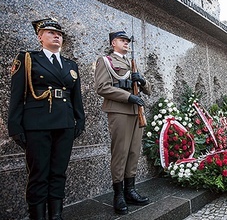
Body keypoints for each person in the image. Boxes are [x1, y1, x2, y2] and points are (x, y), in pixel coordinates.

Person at [8, 18, 85, 219]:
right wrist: (15, 126)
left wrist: (80, 120)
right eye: (51, 32)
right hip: (37, 124)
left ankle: (56, 215)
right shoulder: (27, 59)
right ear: (40, 37)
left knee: (59, 172)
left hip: (65, 123)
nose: (57, 36)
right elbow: (16, 95)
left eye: (59, 34)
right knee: (38, 174)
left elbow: (76, 96)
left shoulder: (71, 64)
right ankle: (38, 217)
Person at [94, 31, 151, 215]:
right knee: (121, 152)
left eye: (127, 41)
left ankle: (130, 190)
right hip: (119, 110)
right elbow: (102, 87)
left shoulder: (131, 63)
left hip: (136, 112)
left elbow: (148, 89)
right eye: (122, 40)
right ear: (113, 43)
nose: (126, 43)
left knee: (134, 152)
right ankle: (118, 194)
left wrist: (141, 81)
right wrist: (128, 97)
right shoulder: (106, 61)